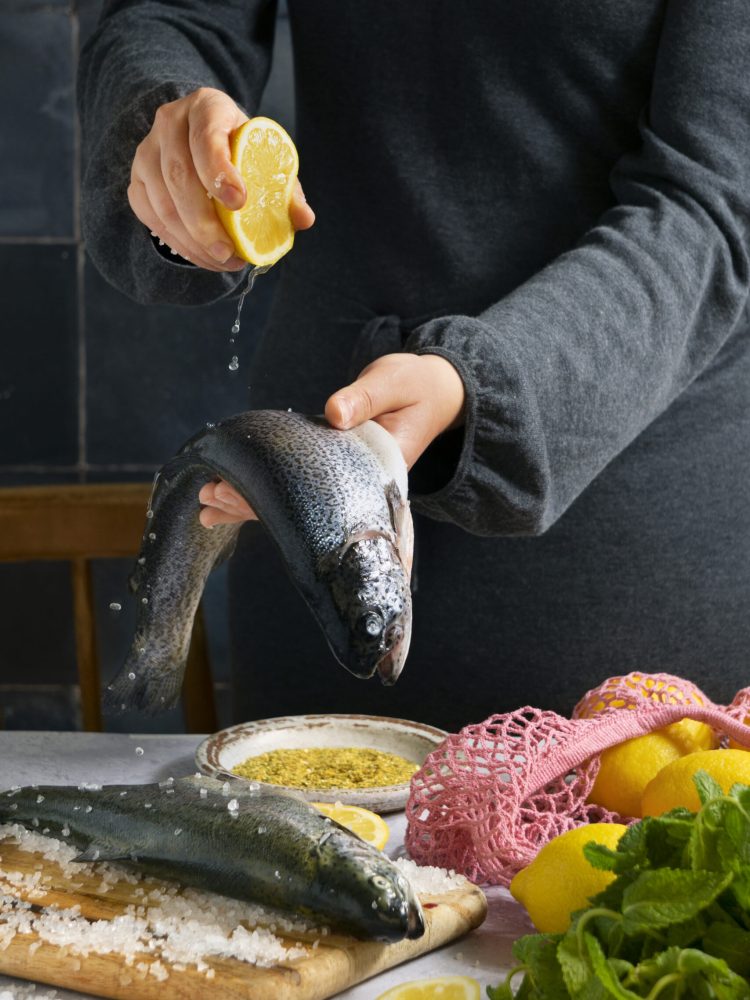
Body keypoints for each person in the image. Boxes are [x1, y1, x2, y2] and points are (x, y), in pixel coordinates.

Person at [78, 1, 750, 733]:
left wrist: (479, 385)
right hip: (318, 528)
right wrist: (169, 128)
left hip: (624, 567)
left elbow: (713, 201)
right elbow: (171, 17)